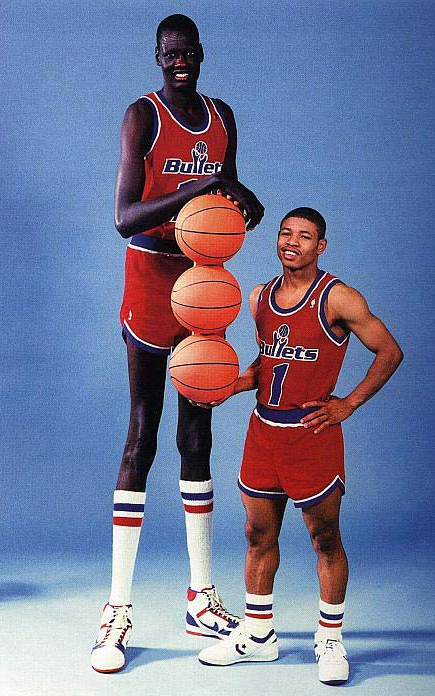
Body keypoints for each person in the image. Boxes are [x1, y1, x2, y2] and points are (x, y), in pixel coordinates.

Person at [91, 14, 264, 674]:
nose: (179, 61)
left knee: (199, 436)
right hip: (149, 275)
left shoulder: (222, 116)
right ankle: (117, 609)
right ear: (157, 57)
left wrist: (239, 207)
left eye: (188, 52)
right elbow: (124, 217)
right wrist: (197, 188)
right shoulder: (143, 115)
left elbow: (226, 199)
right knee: (143, 433)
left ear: (201, 53)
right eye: (169, 54)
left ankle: (201, 597)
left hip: (202, 281)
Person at [197, 207, 403, 684]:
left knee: (324, 538)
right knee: (257, 535)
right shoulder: (260, 297)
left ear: (320, 246)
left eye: (304, 236)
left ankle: (330, 638)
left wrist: (348, 403)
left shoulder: (339, 297)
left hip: (311, 436)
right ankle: (258, 634)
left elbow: (390, 350)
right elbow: (269, 362)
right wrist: (231, 384)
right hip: (263, 433)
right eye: (285, 233)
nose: (292, 242)